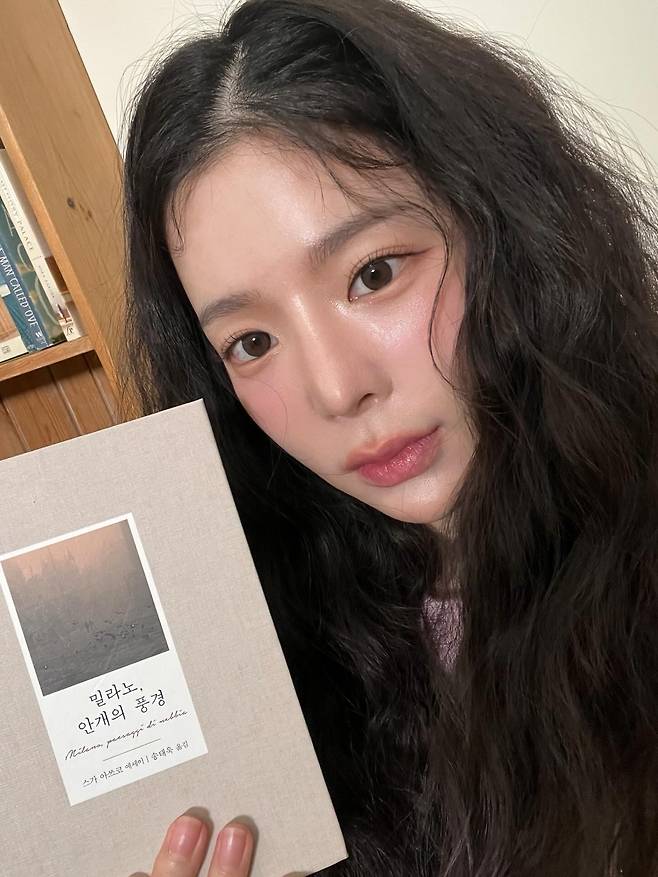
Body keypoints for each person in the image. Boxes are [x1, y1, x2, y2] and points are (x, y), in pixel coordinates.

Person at [120, 0, 658, 874]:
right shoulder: (274, 656)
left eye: (373, 274)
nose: (338, 388)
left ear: (505, 226)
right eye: (251, 342)